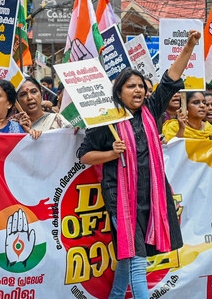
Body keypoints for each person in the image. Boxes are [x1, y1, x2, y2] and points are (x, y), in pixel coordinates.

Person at [76, 30, 201, 298]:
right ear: (119, 92)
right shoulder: (106, 121)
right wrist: (111, 153)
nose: (139, 90)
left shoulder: (152, 110)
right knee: (136, 260)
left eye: (141, 86)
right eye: (131, 86)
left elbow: (170, 79)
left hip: (150, 196)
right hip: (120, 198)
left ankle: (116, 296)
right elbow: (84, 156)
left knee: (128, 256)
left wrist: (189, 46)